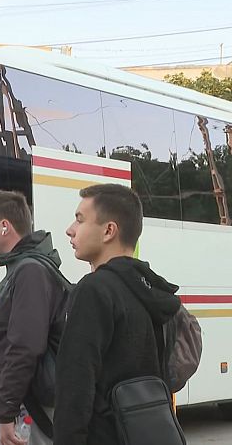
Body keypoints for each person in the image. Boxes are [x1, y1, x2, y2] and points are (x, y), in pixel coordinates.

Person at [55, 183, 182, 445]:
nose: (70, 229)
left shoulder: (93, 290)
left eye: (80, 219)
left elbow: (74, 389)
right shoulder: (150, 289)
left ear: (108, 231)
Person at [0, 190, 63, 445]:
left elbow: (25, 346)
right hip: (17, 410)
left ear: (4, 227)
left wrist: (6, 412)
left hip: (22, 412)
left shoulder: (29, 272)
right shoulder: (24, 269)